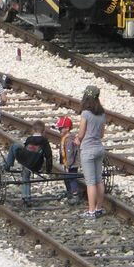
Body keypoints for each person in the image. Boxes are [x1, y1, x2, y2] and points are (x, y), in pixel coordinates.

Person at [1, 120, 53, 207]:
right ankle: (27, 198)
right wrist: (48, 170)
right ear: (43, 131)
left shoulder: (29, 139)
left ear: (33, 130)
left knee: (14, 146)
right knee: (26, 174)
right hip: (36, 165)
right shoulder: (45, 141)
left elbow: (26, 151)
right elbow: (49, 156)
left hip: (26, 163)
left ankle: (7, 165)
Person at [74, 85, 107, 219]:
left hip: (88, 150)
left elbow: (81, 133)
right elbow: (102, 134)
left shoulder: (85, 114)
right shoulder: (102, 113)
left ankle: (91, 211)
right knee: (99, 180)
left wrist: (77, 139)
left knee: (90, 182)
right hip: (99, 148)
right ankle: (99, 208)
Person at [55, 115, 82, 203]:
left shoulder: (69, 139)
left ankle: (75, 194)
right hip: (68, 163)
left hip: (71, 164)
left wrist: (68, 164)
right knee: (67, 177)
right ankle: (70, 191)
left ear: (67, 128)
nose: (59, 130)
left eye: (60, 128)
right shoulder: (65, 138)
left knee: (72, 178)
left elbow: (70, 152)